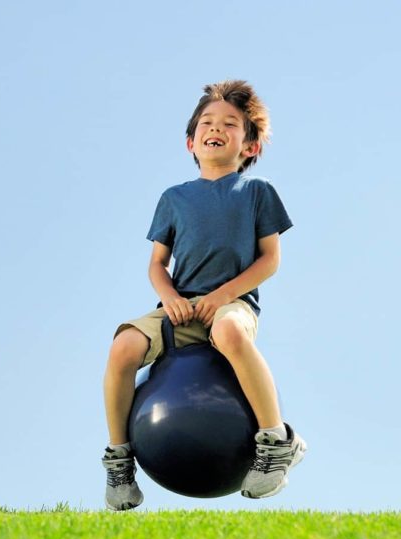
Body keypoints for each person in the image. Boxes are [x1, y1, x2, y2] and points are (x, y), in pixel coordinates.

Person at [101, 79, 307, 511]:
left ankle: (276, 442)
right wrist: (171, 297)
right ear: (191, 141)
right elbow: (157, 264)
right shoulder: (173, 198)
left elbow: (270, 259)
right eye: (208, 122)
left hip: (232, 305)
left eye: (231, 124)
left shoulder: (257, 192)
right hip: (179, 310)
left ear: (249, 146)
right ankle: (120, 460)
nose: (217, 128)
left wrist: (225, 295)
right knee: (122, 347)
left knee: (231, 334)